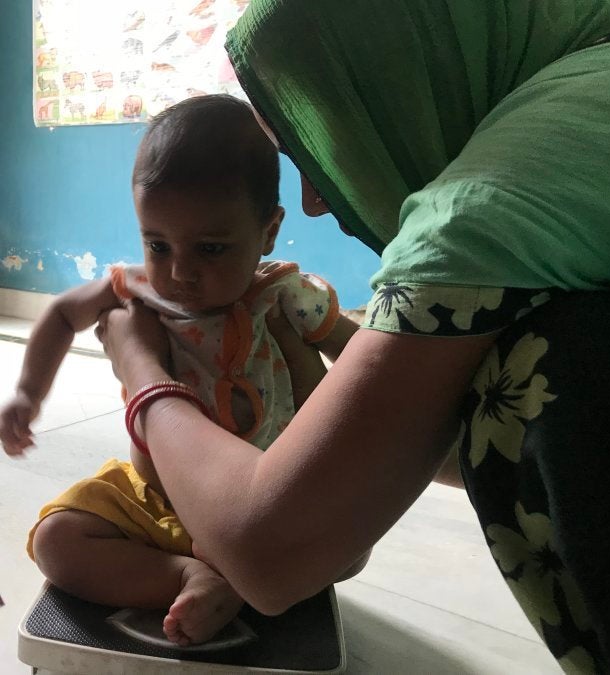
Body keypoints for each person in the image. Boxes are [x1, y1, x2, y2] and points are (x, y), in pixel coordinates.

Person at [33, 1, 610, 671]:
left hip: (240, 514)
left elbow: (275, 549)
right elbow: (437, 428)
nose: (319, 199)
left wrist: (140, 366)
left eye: (319, 136)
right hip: (174, 495)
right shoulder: (602, 72)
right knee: (59, 530)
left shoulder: (485, 209)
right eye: (157, 244)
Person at [0, 94, 359, 646]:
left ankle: (239, 573)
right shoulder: (136, 287)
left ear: (267, 232)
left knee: (349, 550)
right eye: (156, 243)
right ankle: (192, 575)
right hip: (155, 497)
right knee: (55, 539)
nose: (179, 271)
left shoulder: (284, 295)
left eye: (211, 249)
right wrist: (27, 393)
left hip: (257, 507)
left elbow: (362, 357)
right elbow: (62, 313)